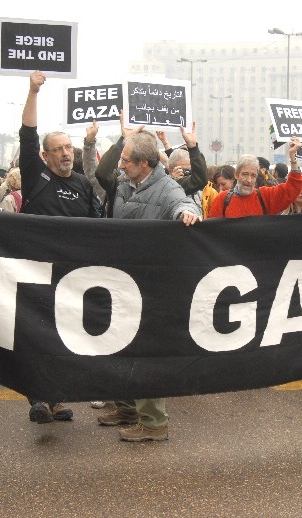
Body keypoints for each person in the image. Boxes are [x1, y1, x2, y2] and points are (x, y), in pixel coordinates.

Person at [93, 115, 200, 442]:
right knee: (121, 344)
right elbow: (101, 172)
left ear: (144, 163)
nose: (121, 165)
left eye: (126, 160)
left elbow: (182, 203)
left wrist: (187, 213)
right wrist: (122, 138)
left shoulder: (167, 188)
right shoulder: (124, 183)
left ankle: (154, 423)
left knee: (146, 352)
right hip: (122, 278)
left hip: (151, 285)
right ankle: (126, 407)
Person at [19, 70, 102, 424]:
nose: (67, 153)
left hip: (71, 275)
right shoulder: (36, 176)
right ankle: (38, 398)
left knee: (62, 337)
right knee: (37, 336)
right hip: (37, 271)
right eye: (59, 149)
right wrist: (33, 92)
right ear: (45, 155)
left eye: (69, 148)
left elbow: (97, 226)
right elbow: (27, 134)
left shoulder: (83, 183)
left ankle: (55, 398)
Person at [208, 138, 302, 218]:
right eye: (245, 174)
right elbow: (211, 230)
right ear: (236, 175)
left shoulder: (264, 197)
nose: (249, 180)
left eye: (253, 175)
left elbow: (292, 189)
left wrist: (293, 157)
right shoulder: (222, 200)